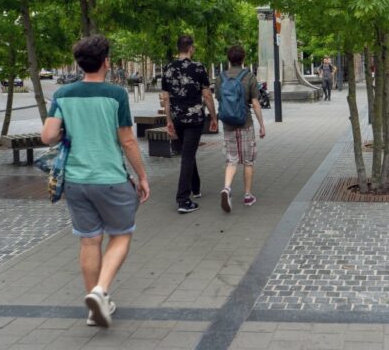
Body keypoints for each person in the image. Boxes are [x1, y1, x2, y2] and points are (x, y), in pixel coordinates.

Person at [40, 35, 150, 328]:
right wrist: (141, 176)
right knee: (121, 234)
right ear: (106, 62)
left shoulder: (63, 95)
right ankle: (101, 291)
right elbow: (127, 141)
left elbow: (48, 136)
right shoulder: (116, 95)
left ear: (79, 63)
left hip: (76, 180)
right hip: (110, 177)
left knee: (89, 240)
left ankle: (93, 306)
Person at [162, 35, 218, 213]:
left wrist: (169, 120)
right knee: (187, 156)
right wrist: (214, 117)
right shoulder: (198, 68)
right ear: (190, 48)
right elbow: (207, 95)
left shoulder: (168, 68)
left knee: (187, 152)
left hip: (177, 118)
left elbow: (165, 97)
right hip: (194, 118)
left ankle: (196, 187)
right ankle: (183, 200)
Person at [215, 45, 266, 212]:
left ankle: (227, 188)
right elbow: (256, 104)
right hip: (245, 123)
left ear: (229, 59)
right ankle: (247, 195)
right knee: (248, 161)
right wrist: (262, 125)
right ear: (243, 59)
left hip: (228, 124)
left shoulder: (220, 78)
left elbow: (220, 99)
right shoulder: (249, 77)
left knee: (232, 159)